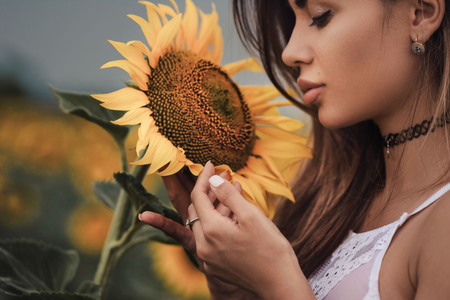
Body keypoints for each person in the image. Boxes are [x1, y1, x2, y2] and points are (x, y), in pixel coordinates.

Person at [139, 0, 450, 298]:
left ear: (420, 14)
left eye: (320, 15)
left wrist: (278, 282)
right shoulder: (325, 197)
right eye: (292, 23)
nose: (289, 52)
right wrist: (239, 290)